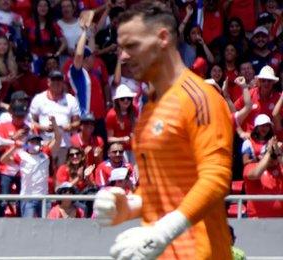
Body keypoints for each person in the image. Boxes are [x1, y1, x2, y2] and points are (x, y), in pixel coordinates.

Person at [92, 2, 233, 259]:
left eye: (132, 46)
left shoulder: (199, 97)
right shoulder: (149, 108)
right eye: (121, 48)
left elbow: (216, 178)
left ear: (163, 38)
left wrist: (165, 230)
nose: (122, 56)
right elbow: (162, 189)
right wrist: (127, 207)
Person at [0, 116, 61, 218]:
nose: (35, 144)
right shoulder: (22, 155)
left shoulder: (46, 153)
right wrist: (14, 147)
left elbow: (58, 138)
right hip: (28, 198)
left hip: (44, 198)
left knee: (46, 226)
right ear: (28, 143)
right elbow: (3, 160)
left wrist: (54, 122)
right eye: (33, 142)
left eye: (37, 142)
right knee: (28, 225)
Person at [242, 137, 283, 218]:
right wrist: (269, 152)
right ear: (261, 156)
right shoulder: (251, 166)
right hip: (257, 219)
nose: (272, 158)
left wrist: (278, 153)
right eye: (270, 155)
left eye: (274, 156)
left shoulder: (280, 168)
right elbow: (255, 175)